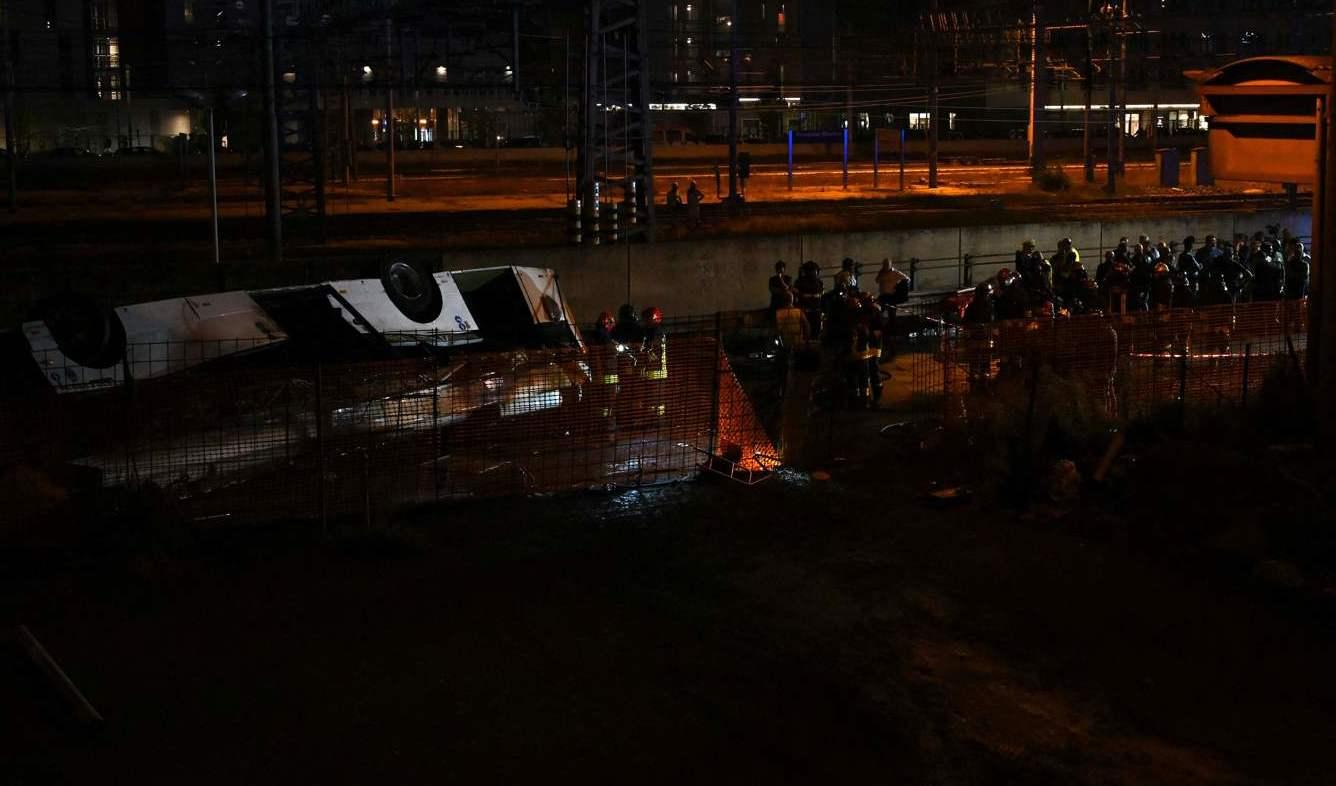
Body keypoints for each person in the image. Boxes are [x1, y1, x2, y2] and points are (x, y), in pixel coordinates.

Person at [795, 261, 825, 338]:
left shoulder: (819, 282)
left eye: (816, 271)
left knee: (816, 333)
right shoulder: (800, 282)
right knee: (806, 334)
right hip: (805, 312)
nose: (815, 274)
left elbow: (822, 296)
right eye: (813, 271)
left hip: (817, 311)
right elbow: (797, 297)